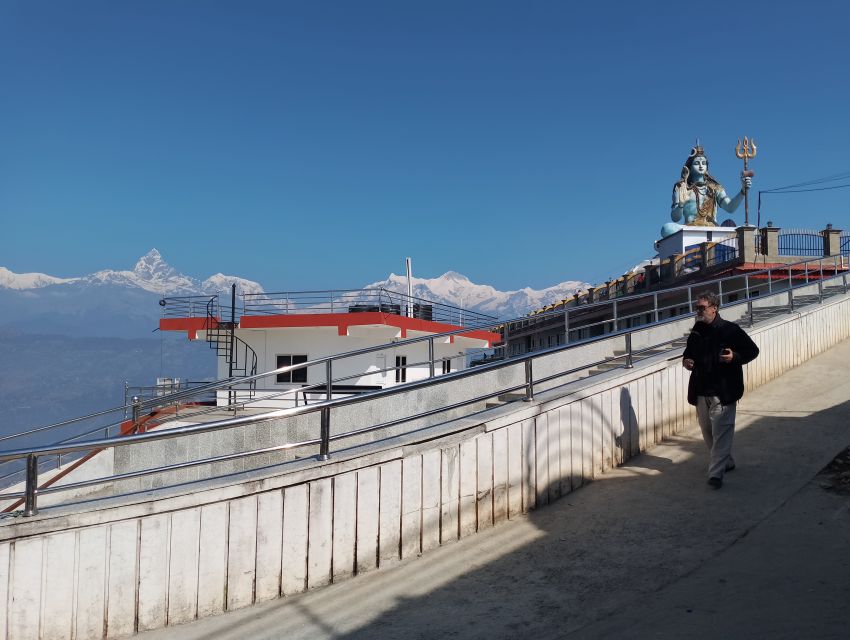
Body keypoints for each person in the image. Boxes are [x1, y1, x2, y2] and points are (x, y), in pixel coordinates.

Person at [682, 291, 759, 489]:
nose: (698, 311)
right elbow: (688, 352)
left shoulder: (730, 330)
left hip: (723, 391)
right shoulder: (697, 330)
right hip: (700, 390)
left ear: (714, 308)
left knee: (722, 432)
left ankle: (715, 473)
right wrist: (687, 360)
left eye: (702, 307)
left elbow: (752, 351)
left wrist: (735, 357)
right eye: (696, 307)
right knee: (708, 431)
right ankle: (727, 461)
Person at [661, 144, 753, 238]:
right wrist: (681, 204)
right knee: (667, 228)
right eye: (697, 163)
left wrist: (742, 191)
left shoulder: (715, 188)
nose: (701, 166)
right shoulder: (682, 187)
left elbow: (730, 208)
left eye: (703, 163)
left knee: (735, 228)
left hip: (711, 228)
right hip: (690, 229)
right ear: (690, 167)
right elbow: (675, 218)